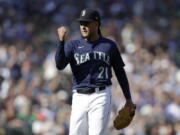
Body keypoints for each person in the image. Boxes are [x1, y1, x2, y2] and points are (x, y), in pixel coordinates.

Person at [55, 8, 135, 135]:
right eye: (81, 23)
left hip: (101, 95)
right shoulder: (73, 45)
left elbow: (120, 72)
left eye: (87, 23)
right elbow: (59, 65)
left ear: (96, 24)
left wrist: (128, 99)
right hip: (79, 96)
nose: (83, 26)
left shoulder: (109, 45)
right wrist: (60, 42)